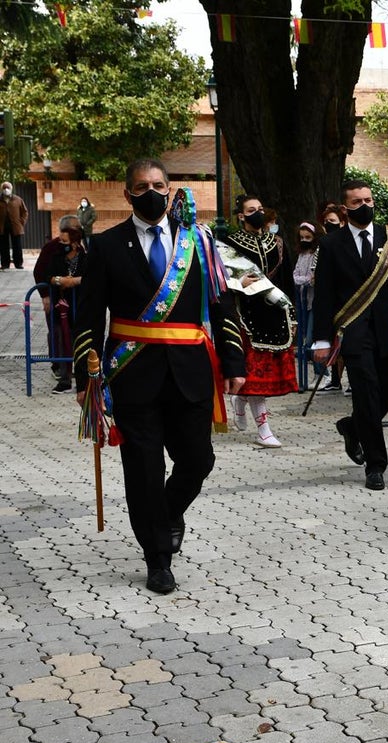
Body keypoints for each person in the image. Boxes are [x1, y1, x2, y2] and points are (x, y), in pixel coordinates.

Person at [72, 158, 246, 594]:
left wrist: (234, 361)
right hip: (132, 374)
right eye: (142, 186)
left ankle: (168, 514)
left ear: (170, 190)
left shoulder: (198, 242)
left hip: (190, 371)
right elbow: (90, 317)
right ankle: (157, 557)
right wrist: (84, 378)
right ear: (128, 193)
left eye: (159, 184)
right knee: (144, 469)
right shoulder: (107, 246)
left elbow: (222, 304)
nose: (151, 192)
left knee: (198, 460)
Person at [312, 179, 388, 490]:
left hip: (386, 328)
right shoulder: (331, 244)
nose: (365, 206)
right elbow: (324, 295)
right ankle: (376, 464)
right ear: (345, 209)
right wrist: (321, 339)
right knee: (366, 392)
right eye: (357, 202)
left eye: (368, 200)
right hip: (354, 332)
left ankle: (352, 426)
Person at [224, 196, 298, 448]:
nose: (257, 213)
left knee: (261, 379)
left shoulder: (277, 243)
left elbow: (287, 280)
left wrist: (293, 314)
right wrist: (237, 282)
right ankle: (264, 429)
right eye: (251, 210)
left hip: (275, 314)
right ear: (241, 216)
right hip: (246, 314)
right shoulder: (229, 242)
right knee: (254, 377)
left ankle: (241, 400)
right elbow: (220, 276)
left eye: (260, 209)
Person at [33, 215, 87, 393]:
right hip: (59, 303)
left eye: (67, 233)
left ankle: (82, 374)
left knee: (79, 336)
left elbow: (94, 274)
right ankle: (60, 368)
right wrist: (51, 288)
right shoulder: (53, 251)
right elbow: (43, 272)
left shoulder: (86, 251)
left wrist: (75, 281)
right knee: (59, 334)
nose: (62, 237)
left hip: (80, 303)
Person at [316, 203, 347, 393]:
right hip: (333, 304)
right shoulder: (326, 244)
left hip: (350, 304)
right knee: (336, 343)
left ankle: (348, 379)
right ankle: (334, 378)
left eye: (333, 221)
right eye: (326, 221)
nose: (329, 224)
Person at [292, 222, 324, 385]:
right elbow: (296, 275)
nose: (305, 240)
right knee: (306, 337)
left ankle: (321, 373)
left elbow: (313, 278)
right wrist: (304, 280)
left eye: (308, 237)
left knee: (311, 338)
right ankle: (318, 373)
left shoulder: (317, 253)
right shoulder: (302, 254)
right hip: (304, 301)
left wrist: (304, 280)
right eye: (302, 237)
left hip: (315, 301)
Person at [0, 181, 30, 270]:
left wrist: (22, 222)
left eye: (7, 187)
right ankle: (5, 264)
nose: (6, 189)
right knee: (3, 246)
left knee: (17, 246)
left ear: (11, 189)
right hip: (2, 227)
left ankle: (18, 263)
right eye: (4, 187)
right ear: (1, 189)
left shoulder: (18, 199)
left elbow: (25, 212)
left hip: (16, 226)